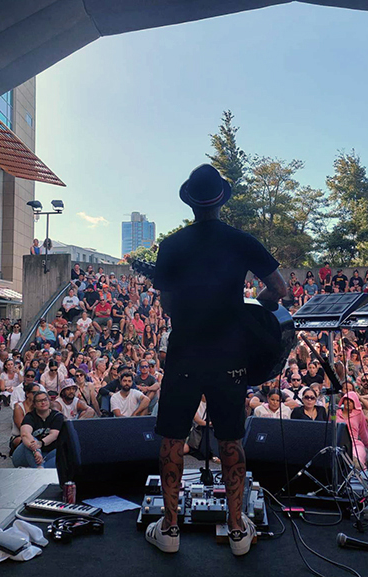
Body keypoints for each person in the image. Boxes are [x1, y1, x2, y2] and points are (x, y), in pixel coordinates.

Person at [147, 164, 286, 556]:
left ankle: (170, 529)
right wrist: (250, 309)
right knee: (231, 438)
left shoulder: (172, 245)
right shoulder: (240, 240)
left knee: (173, 437)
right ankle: (238, 529)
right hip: (231, 353)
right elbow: (280, 288)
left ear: (190, 202)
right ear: (222, 200)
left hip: (186, 351)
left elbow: (168, 303)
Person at [12, 391, 64, 468]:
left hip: (49, 452)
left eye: (45, 400)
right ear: (34, 404)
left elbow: (54, 434)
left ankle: (39, 469)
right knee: (30, 441)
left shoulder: (57, 416)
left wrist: (40, 443)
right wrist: (35, 450)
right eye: (39, 401)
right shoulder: (30, 417)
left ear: (49, 401)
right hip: (27, 454)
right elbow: (25, 434)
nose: (43, 402)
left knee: (64, 452)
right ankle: (40, 469)